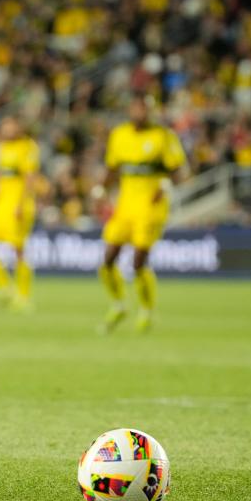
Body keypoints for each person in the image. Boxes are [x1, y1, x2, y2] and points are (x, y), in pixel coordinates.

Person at [92, 94, 186, 333]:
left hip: (150, 207)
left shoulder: (163, 136)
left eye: (144, 109)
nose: (139, 113)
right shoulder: (119, 135)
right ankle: (119, 304)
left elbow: (178, 171)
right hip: (124, 205)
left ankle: (146, 310)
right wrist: (101, 192)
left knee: (138, 262)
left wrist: (164, 186)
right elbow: (113, 169)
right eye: (136, 108)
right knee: (107, 260)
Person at [0, 116, 39, 311]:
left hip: (18, 205)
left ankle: (23, 296)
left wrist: (22, 204)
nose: (8, 129)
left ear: (18, 127)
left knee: (18, 250)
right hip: (1, 204)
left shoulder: (27, 147)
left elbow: (30, 179)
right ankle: (5, 289)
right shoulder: (2, 148)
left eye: (11, 125)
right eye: (5, 126)